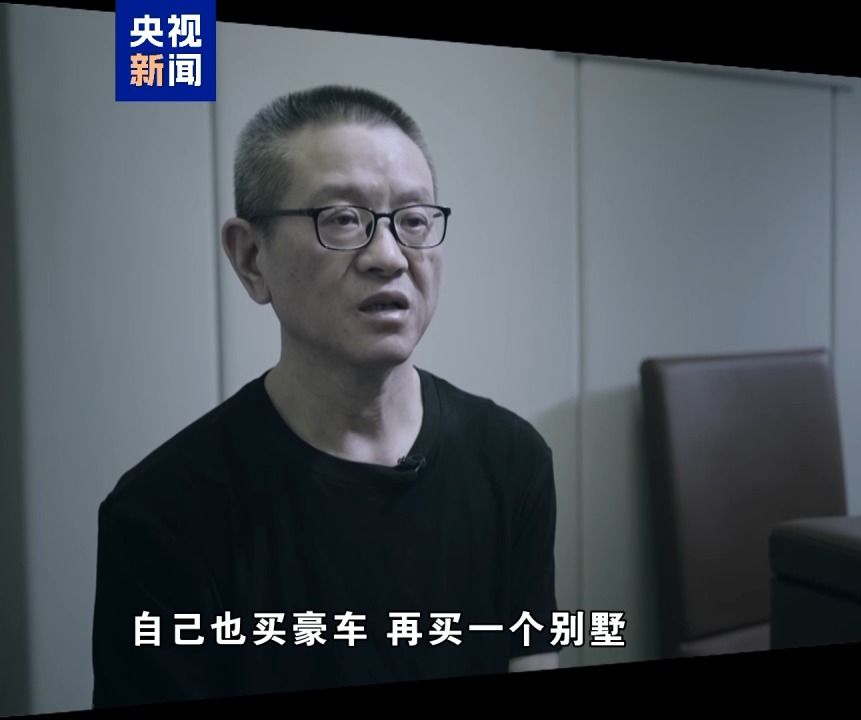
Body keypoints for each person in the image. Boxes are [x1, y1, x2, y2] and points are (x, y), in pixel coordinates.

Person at [91, 85, 560, 709]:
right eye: (342, 219)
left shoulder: (512, 458)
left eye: (413, 220)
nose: (389, 257)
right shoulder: (162, 514)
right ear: (251, 257)